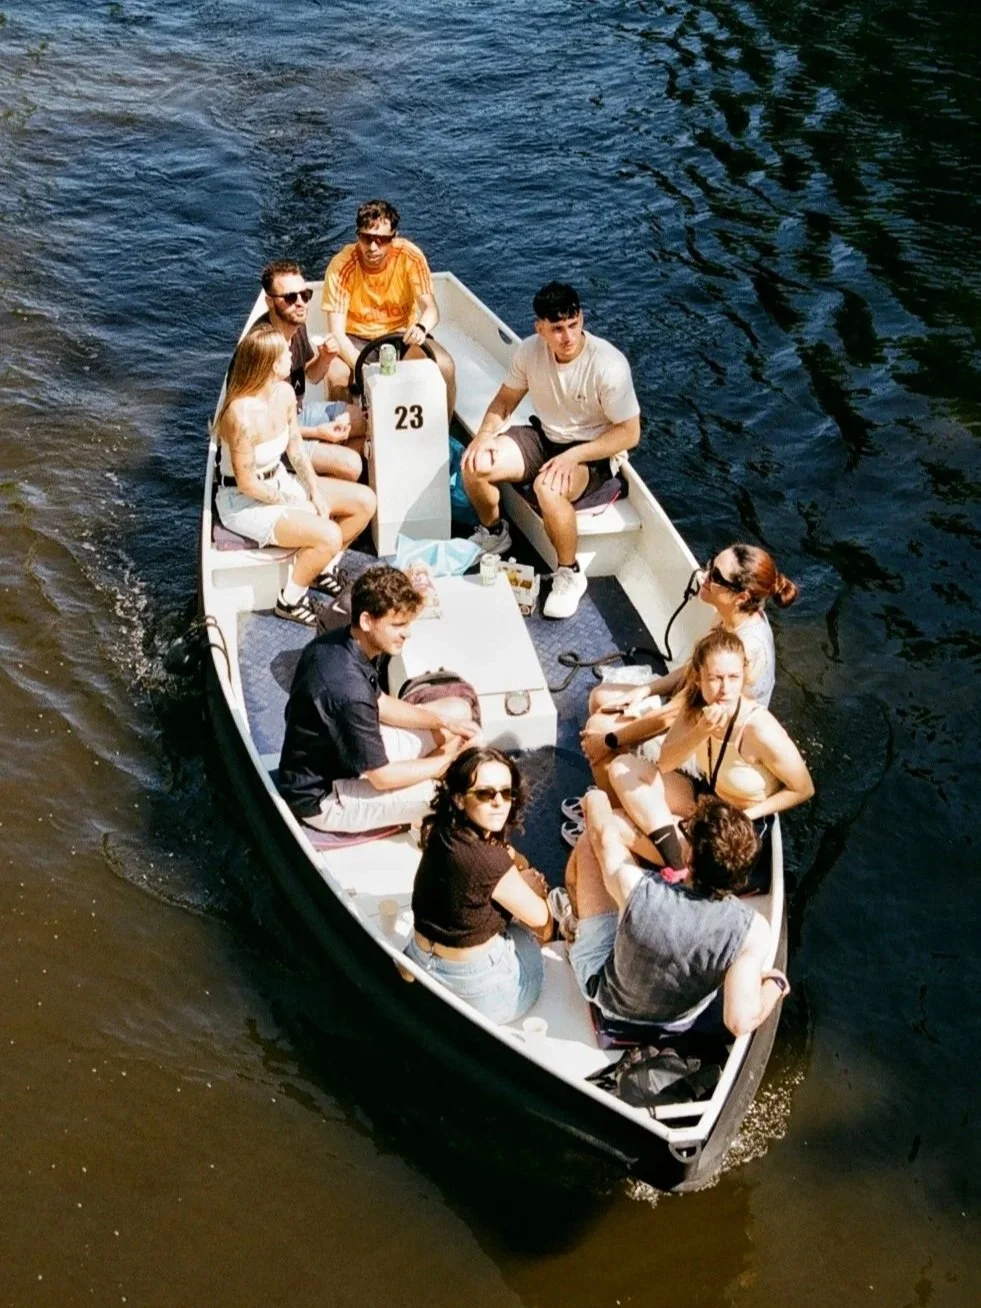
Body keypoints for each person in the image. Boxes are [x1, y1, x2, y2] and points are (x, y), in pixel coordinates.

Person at [460, 282, 641, 619]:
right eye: (557, 329)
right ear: (539, 328)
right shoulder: (529, 351)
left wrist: (575, 455)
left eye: (573, 324)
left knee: (549, 487)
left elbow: (630, 433)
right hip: (545, 437)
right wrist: (484, 435)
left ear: (581, 318)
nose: (568, 336)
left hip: (592, 452)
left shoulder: (608, 365)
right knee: (475, 463)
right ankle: (495, 532)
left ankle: (569, 573)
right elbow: (505, 401)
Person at [577, 544, 800, 799]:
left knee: (599, 727)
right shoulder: (733, 616)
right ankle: (615, 787)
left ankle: (618, 808)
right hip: (691, 712)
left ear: (742, 597)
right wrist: (645, 690)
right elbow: (693, 667)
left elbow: (671, 716)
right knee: (601, 697)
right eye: (711, 563)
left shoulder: (747, 650)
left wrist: (609, 740)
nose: (704, 576)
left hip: (705, 748)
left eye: (716, 576)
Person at [566, 788, 790, 1037]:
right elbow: (739, 1022)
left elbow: (602, 836)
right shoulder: (753, 930)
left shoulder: (636, 886)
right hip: (677, 1019)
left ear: (689, 854)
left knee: (588, 844)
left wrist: (596, 796)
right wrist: (775, 984)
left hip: (609, 1000)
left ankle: (571, 918)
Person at [277, 566, 481, 831]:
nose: (407, 633)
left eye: (408, 624)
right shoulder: (349, 693)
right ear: (366, 621)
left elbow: (381, 703)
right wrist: (448, 763)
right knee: (465, 788)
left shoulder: (335, 643)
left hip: (348, 752)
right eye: (397, 625)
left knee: (459, 710)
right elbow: (382, 777)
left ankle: (433, 771)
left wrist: (444, 721)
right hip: (324, 796)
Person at [214, 325, 375, 624]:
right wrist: (293, 503)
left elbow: (296, 449)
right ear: (271, 364)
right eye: (285, 353)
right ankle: (289, 601)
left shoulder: (285, 393)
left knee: (365, 502)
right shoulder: (240, 415)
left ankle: (321, 568)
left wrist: (313, 489)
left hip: (279, 482)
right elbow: (247, 483)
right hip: (244, 501)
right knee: (329, 532)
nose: (291, 354)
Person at [606, 628, 814, 854]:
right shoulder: (695, 707)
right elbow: (665, 764)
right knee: (622, 768)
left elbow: (803, 789)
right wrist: (701, 731)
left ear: (744, 674)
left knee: (616, 824)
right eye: (715, 678)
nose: (725, 689)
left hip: (739, 828)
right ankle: (675, 855)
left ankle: (676, 857)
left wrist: (745, 816)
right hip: (708, 799)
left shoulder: (759, 729)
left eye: (733, 678)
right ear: (698, 677)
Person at [405, 747, 552, 1024]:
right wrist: (530, 885)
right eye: (485, 793)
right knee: (531, 935)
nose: (499, 802)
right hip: (476, 990)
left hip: (420, 956)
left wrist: (512, 867)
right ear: (460, 799)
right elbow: (540, 917)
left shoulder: (441, 831)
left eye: (507, 793)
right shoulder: (488, 860)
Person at [321, 199, 457, 415]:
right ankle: (348, 433)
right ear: (358, 236)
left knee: (444, 365)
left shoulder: (410, 257)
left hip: (402, 336)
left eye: (381, 240)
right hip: (356, 339)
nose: (372, 247)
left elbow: (431, 308)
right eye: (366, 238)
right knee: (335, 374)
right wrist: (361, 367)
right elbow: (337, 333)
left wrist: (421, 328)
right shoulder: (341, 266)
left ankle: (443, 433)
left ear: (394, 237)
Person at [252, 259, 366, 480]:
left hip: (299, 415)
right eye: (290, 298)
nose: (301, 303)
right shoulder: (261, 348)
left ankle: (324, 480)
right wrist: (318, 433)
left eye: (305, 295)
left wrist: (324, 358)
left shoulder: (297, 326)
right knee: (351, 464)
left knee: (368, 422)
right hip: (276, 439)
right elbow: (263, 425)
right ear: (269, 302)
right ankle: (322, 488)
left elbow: (311, 376)